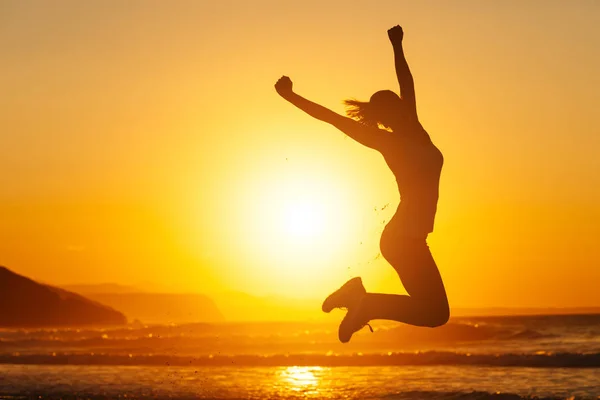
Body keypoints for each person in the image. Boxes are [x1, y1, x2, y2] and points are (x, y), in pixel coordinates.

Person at [274, 25, 449, 343]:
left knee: (435, 313)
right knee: (436, 314)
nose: (402, 105)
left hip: (408, 238)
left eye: (400, 102)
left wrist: (397, 46)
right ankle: (364, 303)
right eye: (394, 106)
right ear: (386, 117)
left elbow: (406, 82)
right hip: (402, 240)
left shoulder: (416, 131)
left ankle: (360, 297)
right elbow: (331, 117)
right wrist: (290, 96)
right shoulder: (387, 141)